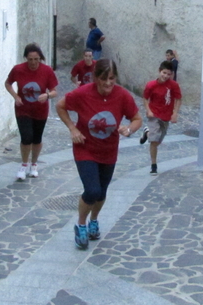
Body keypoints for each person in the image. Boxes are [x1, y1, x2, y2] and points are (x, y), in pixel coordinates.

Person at [56, 59, 141, 250]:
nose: (108, 83)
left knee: (102, 192)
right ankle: (81, 224)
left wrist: (129, 129)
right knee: (92, 190)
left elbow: (137, 118)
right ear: (95, 78)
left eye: (112, 78)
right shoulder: (83, 93)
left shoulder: (122, 96)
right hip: (85, 148)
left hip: (108, 150)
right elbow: (60, 106)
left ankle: (94, 219)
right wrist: (72, 129)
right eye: (104, 78)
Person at [5, 44, 59, 181]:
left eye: (36, 59)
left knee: (37, 138)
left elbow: (54, 91)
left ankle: (34, 164)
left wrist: (47, 96)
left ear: (40, 58)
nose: (34, 63)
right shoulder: (18, 70)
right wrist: (15, 96)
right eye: (30, 59)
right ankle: (23, 165)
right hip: (23, 108)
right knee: (26, 137)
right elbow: (8, 83)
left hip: (40, 110)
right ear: (26, 58)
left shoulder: (47, 71)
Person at [139, 60, 182, 175]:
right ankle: (154, 165)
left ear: (171, 74)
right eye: (164, 73)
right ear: (159, 71)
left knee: (158, 140)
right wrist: (148, 110)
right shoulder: (151, 85)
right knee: (154, 141)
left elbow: (178, 99)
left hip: (166, 116)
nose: (166, 76)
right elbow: (145, 98)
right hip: (154, 115)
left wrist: (175, 113)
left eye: (168, 74)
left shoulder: (174, 85)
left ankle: (147, 132)